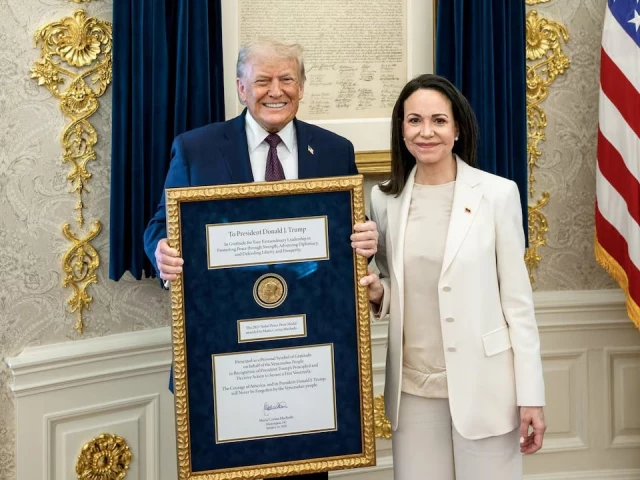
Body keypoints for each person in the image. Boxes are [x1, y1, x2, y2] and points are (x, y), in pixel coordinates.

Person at [143, 39, 378, 480]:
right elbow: (161, 225)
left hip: (307, 353)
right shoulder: (196, 148)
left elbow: (347, 232)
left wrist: (364, 238)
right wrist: (161, 253)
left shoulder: (334, 151)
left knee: (307, 470)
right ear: (241, 88)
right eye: (263, 80)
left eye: (287, 79)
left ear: (301, 87)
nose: (276, 90)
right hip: (223, 351)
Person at [360, 74, 546, 480]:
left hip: (486, 386)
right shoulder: (384, 199)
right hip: (412, 389)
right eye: (414, 120)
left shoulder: (497, 194)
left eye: (439, 121)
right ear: (401, 129)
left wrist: (532, 395)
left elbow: (518, 303)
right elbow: (395, 281)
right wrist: (378, 292)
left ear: (457, 129)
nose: (426, 132)